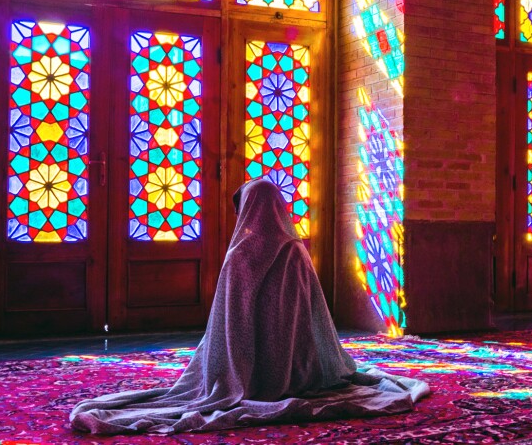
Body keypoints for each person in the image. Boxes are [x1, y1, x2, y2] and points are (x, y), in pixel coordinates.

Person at [70, 180, 429, 434]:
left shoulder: (242, 255)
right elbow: (317, 323)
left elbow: (228, 327)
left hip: (249, 376)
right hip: (303, 370)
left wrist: (235, 373)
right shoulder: (296, 249)